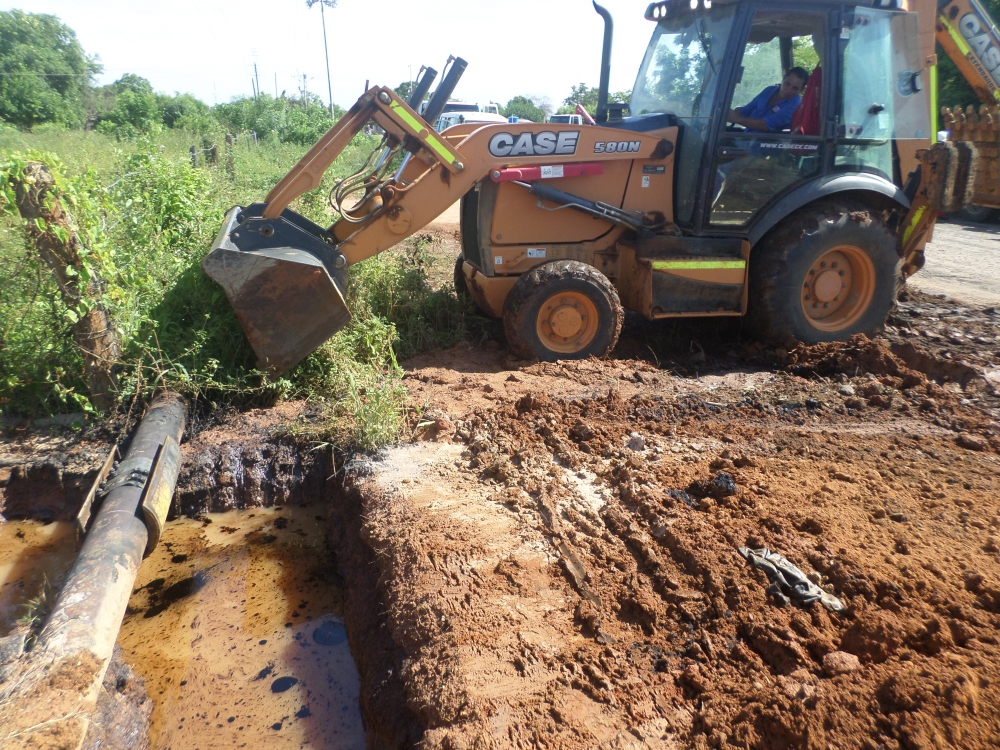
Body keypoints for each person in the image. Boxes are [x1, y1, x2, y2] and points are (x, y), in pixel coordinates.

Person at [727, 67, 809, 133]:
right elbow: (748, 109)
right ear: (783, 79)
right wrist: (729, 113)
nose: (789, 90)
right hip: (745, 139)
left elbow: (765, 125)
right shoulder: (769, 90)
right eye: (787, 84)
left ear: (801, 90)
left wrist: (736, 119)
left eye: (795, 88)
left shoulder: (795, 106)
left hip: (767, 144)